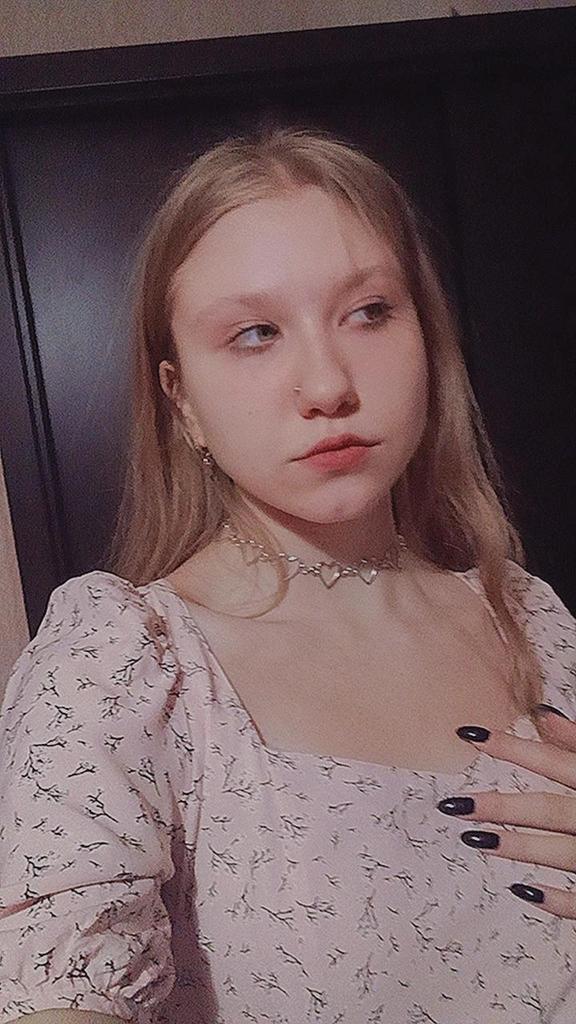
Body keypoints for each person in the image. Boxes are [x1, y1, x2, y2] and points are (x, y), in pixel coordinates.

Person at [0, 124, 575, 1024]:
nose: (328, 383)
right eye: (256, 333)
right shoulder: (125, 666)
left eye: (369, 312)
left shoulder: (535, 622)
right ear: (181, 400)